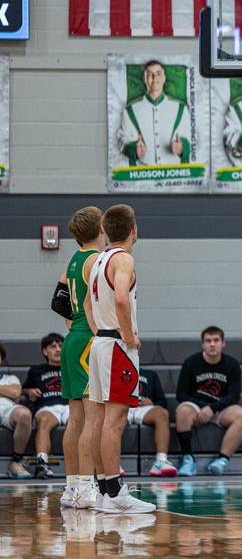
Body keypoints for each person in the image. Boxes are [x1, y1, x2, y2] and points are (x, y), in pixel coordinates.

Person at [85, 204, 155, 513]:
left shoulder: (98, 259)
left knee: (102, 420)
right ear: (134, 229)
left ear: (104, 230)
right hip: (116, 345)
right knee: (114, 422)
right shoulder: (124, 259)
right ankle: (115, 494)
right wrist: (128, 337)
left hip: (101, 342)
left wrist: (102, 331)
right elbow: (122, 298)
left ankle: (103, 491)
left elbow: (88, 304)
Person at [51, 205, 105, 508]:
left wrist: (71, 324)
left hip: (73, 340)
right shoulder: (97, 259)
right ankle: (87, 488)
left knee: (76, 418)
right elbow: (94, 303)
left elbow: (57, 302)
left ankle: (71, 487)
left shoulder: (74, 260)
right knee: (93, 419)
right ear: (102, 229)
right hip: (88, 340)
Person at [175, 326, 242, 477]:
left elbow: (234, 396)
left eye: (216, 340)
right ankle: (188, 460)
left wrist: (212, 408)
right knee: (182, 411)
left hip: (220, 408)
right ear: (203, 344)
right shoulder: (191, 363)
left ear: (223, 343)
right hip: (197, 407)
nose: (212, 344)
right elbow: (181, 394)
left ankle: (221, 461)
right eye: (208, 341)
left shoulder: (232, 364)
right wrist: (204, 408)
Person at [116, 59, 190, 166]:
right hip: (143, 176)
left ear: (164, 78)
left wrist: (182, 148)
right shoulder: (130, 111)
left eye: (158, 74)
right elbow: (122, 144)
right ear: (145, 79)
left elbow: (192, 140)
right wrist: (133, 150)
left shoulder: (181, 108)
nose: (154, 78)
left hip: (173, 177)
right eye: (150, 75)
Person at [22, 334, 70, 479]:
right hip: (47, 406)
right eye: (53, 346)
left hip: (70, 405)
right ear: (45, 351)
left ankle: (82, 464)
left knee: (79, 423)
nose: (58, 349)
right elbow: (24, 389)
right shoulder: (37, 370)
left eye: (61, 346)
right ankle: (42, 463)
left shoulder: (72, 367)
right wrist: (30, 391)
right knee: (43, 422)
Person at [129, 369, 177, 477]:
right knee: (110, 418)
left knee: (162, 413)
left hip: (143, 409)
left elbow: (162, 401)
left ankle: (161, 461)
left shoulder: (150, 374)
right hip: (121, 408)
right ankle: (112, 464)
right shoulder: (113, 370)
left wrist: (152, 403)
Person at [0, 342, 33, 479]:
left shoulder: (10, 378)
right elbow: (11, 393)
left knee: (24, 414)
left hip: (7, 409)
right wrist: (5, 391)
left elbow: (15, 394)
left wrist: (8, 394)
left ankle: (16, 462)